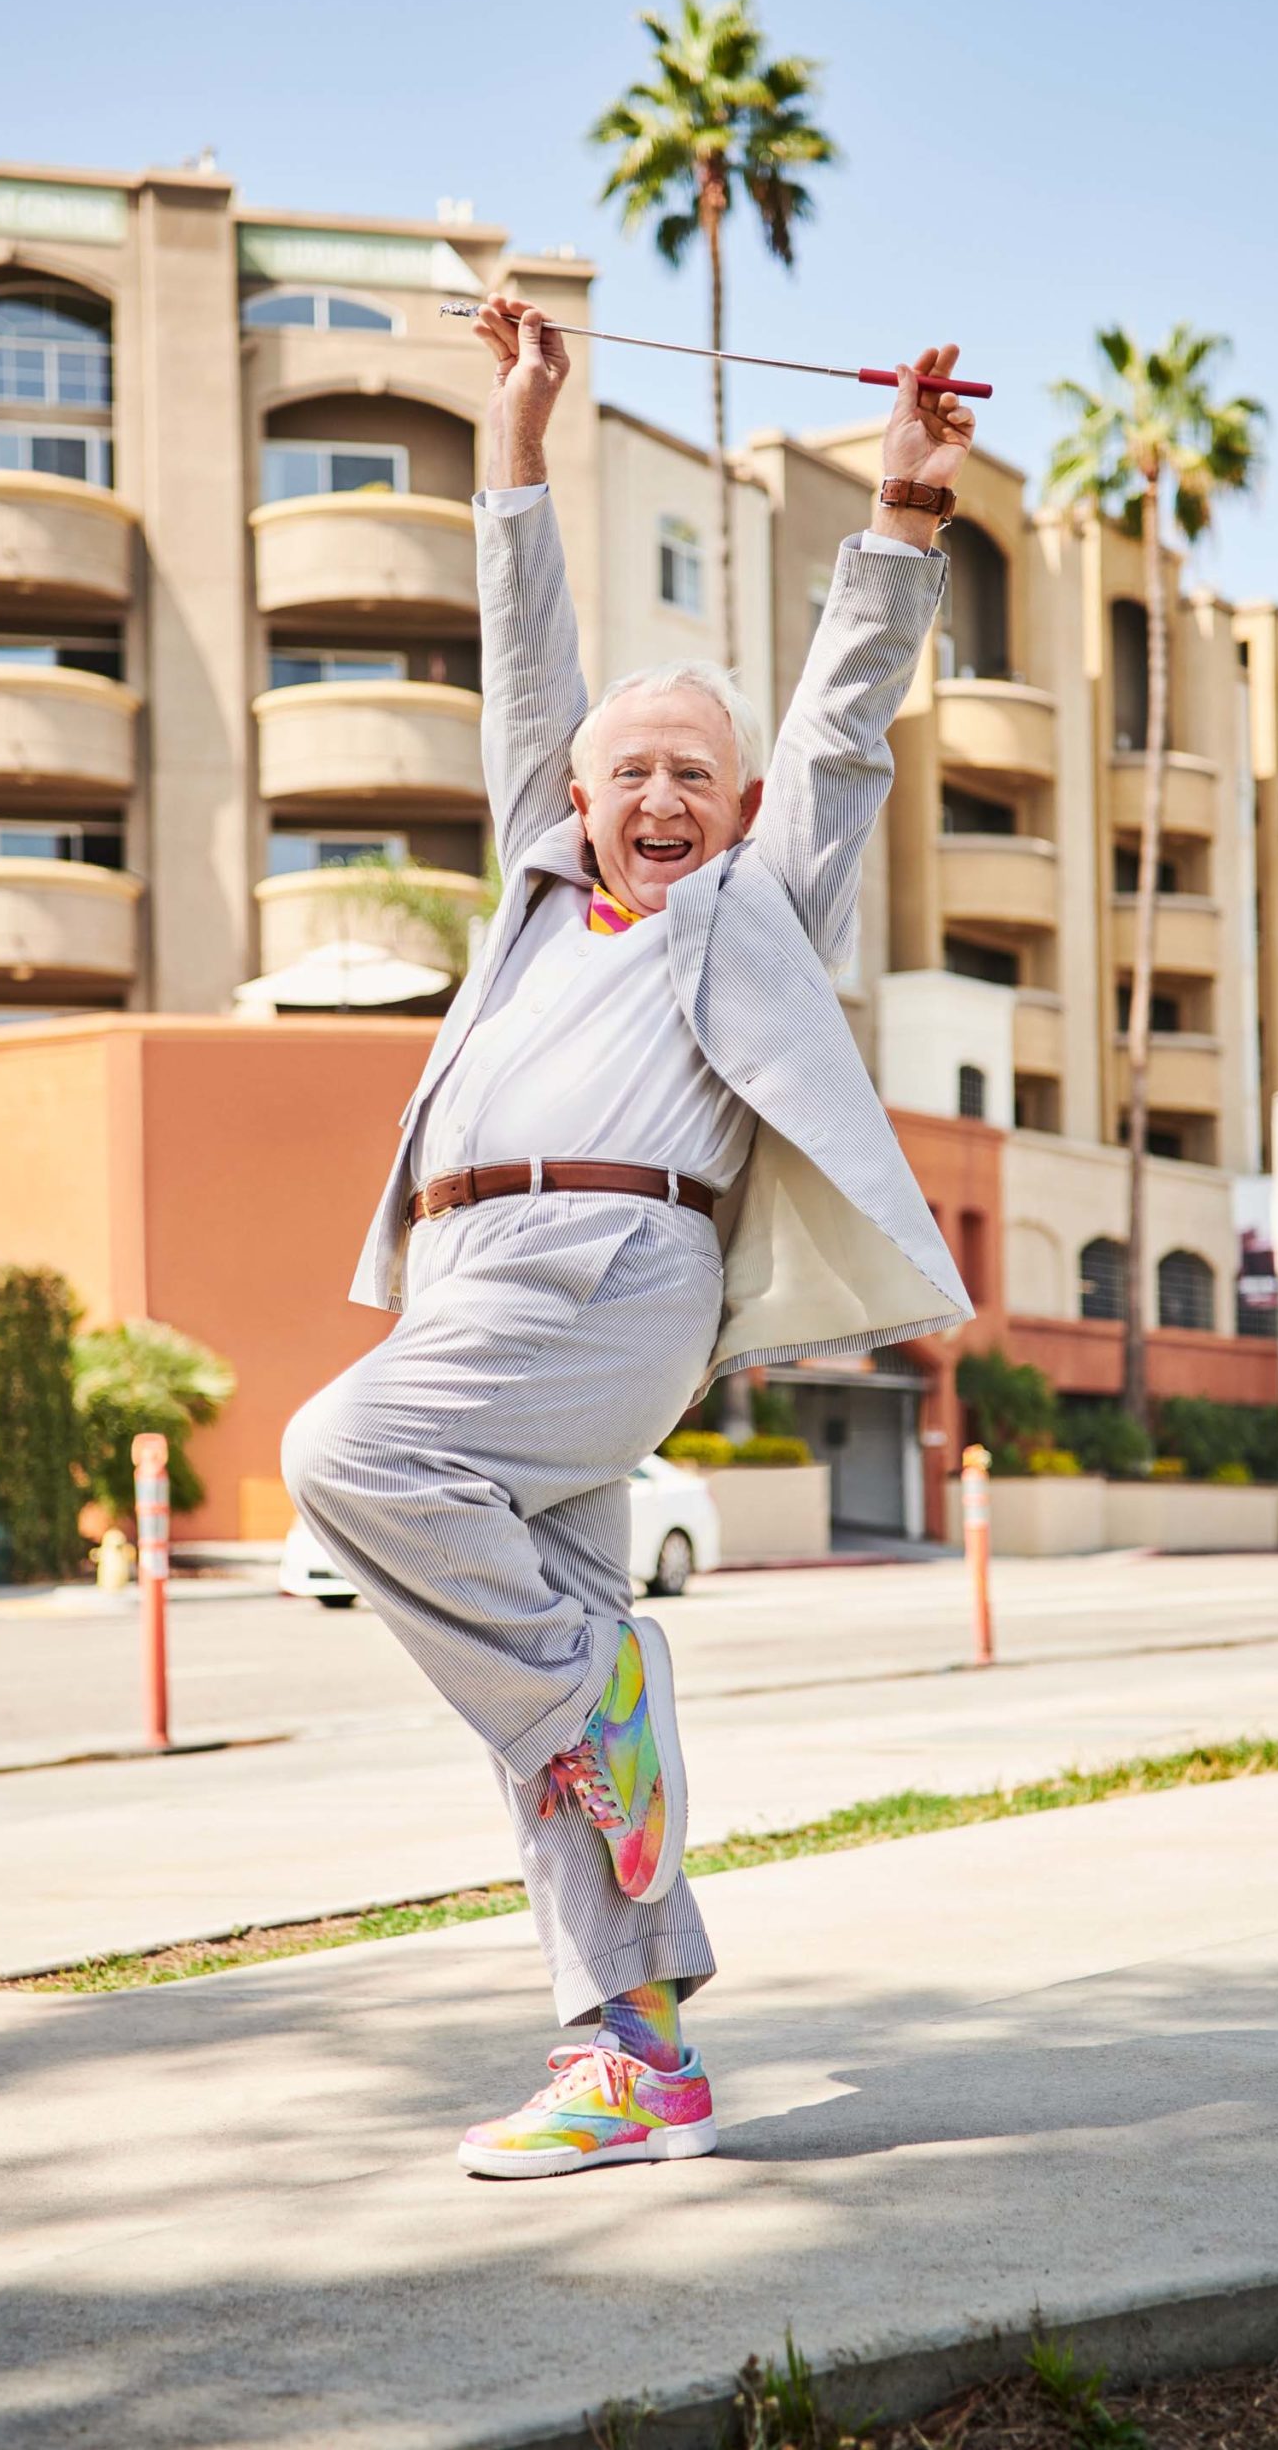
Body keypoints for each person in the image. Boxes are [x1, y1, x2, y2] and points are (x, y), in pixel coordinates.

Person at [282, 295, 976, 2178]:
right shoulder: (535, 894)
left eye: (694, 776)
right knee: (555, 1739)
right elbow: (528, 670)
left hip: (611, 1274)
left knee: (344, 1453)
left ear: (735, 813)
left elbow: (842, 730)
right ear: (577, 804)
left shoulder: (751, 905)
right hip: (472, 1275)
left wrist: (903, 516)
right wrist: (515, 439)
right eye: (628, 774)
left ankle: (596, 1697)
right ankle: (633, 2048)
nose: (658, 797)